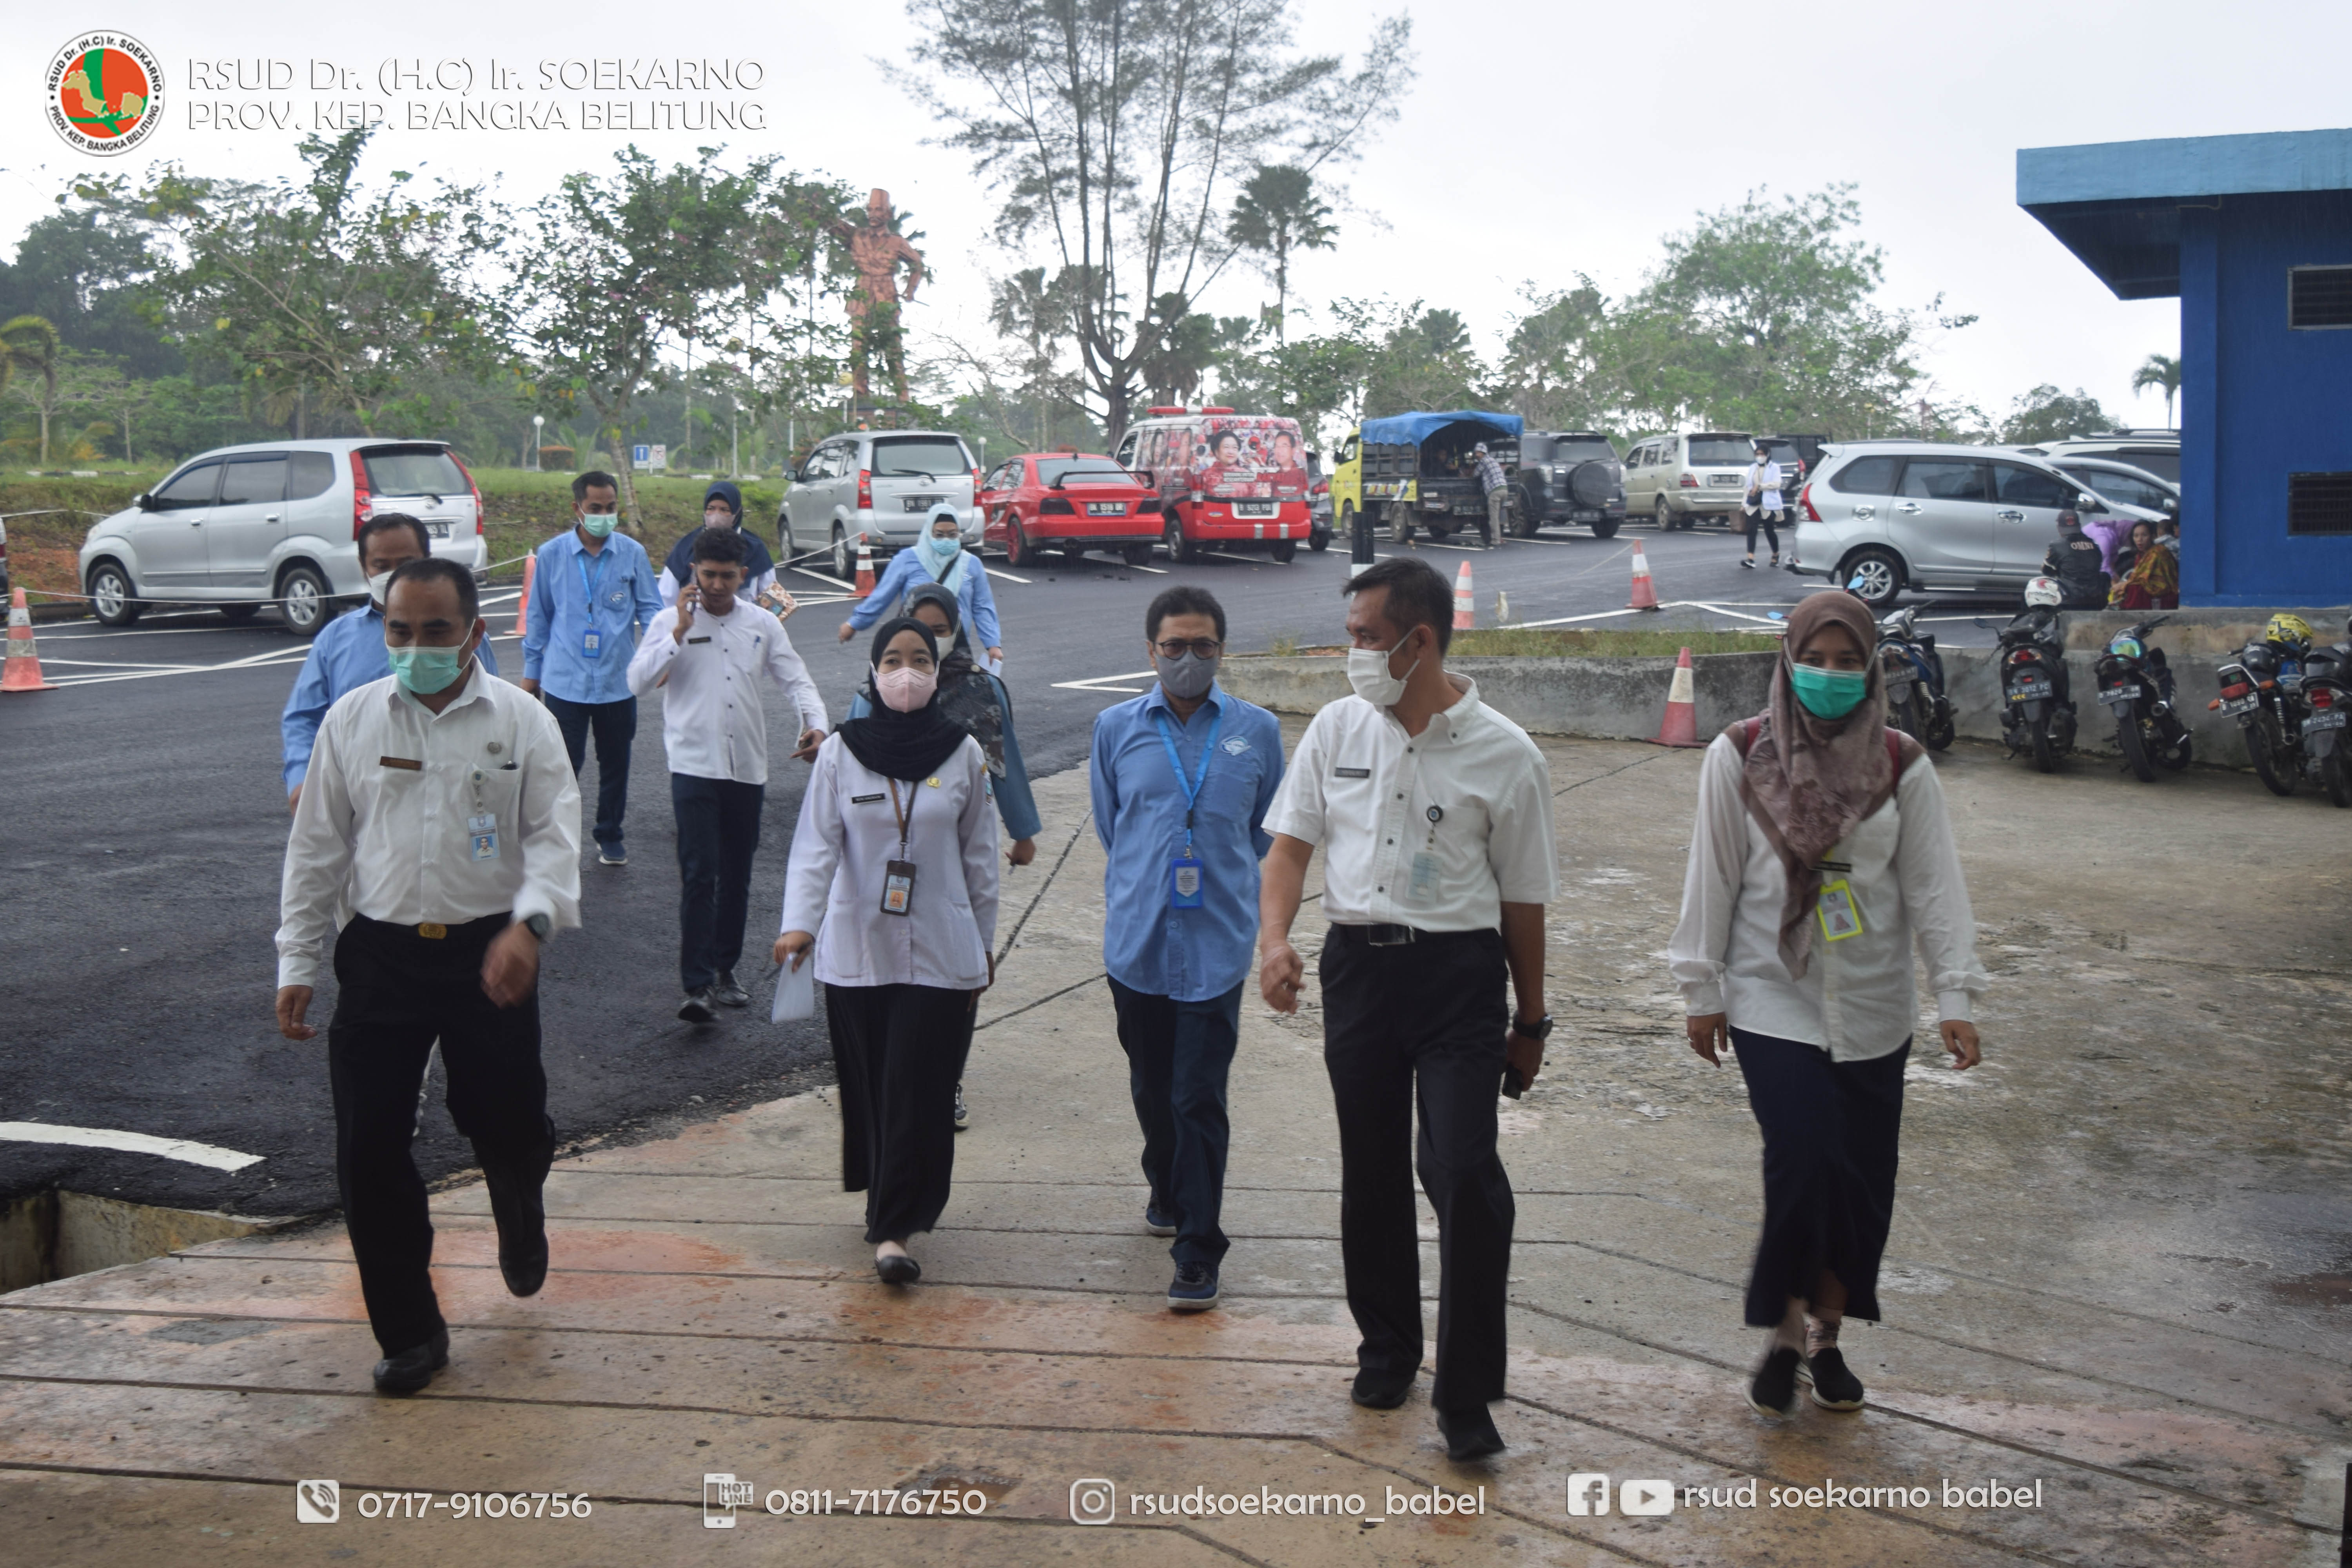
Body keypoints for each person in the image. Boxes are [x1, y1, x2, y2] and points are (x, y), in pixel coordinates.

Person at [1257, 556, 1560, 1462]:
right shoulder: (1337, 730)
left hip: (1459, 978)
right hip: (1358, 971)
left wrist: (1531, 1020)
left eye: (1363, 636)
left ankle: (1466, 1393)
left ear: (1417, 640)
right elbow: (1288, 850)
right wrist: (1275, 940)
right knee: (1374, 1169)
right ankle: (1388, 1347)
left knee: (1462, 1170)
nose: (1349, 651)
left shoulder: (1507, 754)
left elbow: (1523, 904)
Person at [1666, 590, 1987, 1421]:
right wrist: (1702, 989)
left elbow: (1934, 887)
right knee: (1803, 1159)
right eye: (1817, 658)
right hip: (1775, 998)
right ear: (1787, 657)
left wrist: (1956, 992)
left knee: (1859, 1183)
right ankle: (1780, 1334)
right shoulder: (1740, 755)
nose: (1831, 676)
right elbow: (1715, 878)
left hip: (1877, 1004)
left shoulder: (1903, 764)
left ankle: (1826, 1338)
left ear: (1875, 667)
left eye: (1850, 663)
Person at [274, 557, 582, 1395]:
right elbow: (316, 852)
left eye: (436, 630)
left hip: (494, 949)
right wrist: (298, 958)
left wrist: (531, 924)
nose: (416, 647)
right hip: (380, 956)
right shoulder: (352, 720)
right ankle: (410, 1329)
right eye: (400, 631)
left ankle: (519, 1186)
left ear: (475, 632)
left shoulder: (523, 722)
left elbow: (555, 839)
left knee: (504, 1116)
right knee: (367, 1147)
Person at [777, 618, 1000, 1284]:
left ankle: (895, 1229)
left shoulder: (961, 753)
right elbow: (816, 847)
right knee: (872, 1084)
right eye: (895, 660)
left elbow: (981, 862)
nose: (908, 672)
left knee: (915, 1084)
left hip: (942, 947)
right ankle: (886, 1201)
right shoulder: (844, 751)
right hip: (856, 947)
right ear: (874, 672)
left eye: (921, 660)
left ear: (937, 672)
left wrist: (982, 950)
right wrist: (799, 925)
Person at [1090, 586, 1285, 1313]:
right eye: (1174, 647)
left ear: (1222, 651)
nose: (1188, 659)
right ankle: (1167, 1186)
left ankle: (1199, 1249)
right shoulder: (1115, 728)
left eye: (1204, 646)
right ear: (1151, 651)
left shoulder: (1257, 731)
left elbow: (1265, 834)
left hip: (1216, 947)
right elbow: (1114, 828)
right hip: (1137, 943)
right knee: (1152, 1089)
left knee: (1198, 1096)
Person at [842, 581, 1042, 1132]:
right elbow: (852, 746)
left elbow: (1007, 760)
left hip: (952, 856)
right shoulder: (874, 688)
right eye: (918, 628)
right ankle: (891, 1076)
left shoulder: (982, 691)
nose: (925, 644)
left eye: (938, 631)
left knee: (961, 973)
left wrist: (1023, 830)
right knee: (893, 979)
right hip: (887, 861)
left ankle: (948, 1078)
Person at [627, 529, 828, 1022]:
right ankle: (695, 986)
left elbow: (795, 678)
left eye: (727, 576)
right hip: (693, 766)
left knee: (737, 873)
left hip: (748, 769)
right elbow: (636, 683)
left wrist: (816, 724)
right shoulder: (667, 622)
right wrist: (676, 633)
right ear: (694, 571)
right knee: (700, 873)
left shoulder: (762, 624)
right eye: (708, 574)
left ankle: (725, 970)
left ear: (743, 575)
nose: (717, 585)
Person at [282, 513, 501, 811]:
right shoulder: (334, 639)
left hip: (452, 793)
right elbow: (304, 718)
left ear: (427, 560)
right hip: (361, 797)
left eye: (407, 563)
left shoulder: (465, 638)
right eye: (382, 566)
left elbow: (492, 709)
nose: (395, 575)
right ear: (364, 568)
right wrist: (301, 778)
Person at [519, 471, 664, 867]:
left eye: (611, 508)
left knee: (616, 764)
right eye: (596, 508)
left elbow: (652, 611)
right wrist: (531, 674)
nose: (604, 515)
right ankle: (556, 840)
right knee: (562, 767)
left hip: (619, 681)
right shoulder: (552, 555)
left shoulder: (632, 553)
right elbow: (539, 617)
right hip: (565, 682)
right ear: (578, 508)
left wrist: (660, 655)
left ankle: (610, 833)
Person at [838, 505, 1003, 668]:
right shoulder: (908, 560)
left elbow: (983, 606)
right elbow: (882, 596)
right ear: (928, 533)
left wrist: (993, 644)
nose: (946, 540)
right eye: (939, 535)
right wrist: (855, 624)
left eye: (952, 535)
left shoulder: (971, 564)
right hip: (913, 646)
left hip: (955, 648)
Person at [660, 480, 778, 607]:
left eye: (724, 510)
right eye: (711, 509)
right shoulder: (687, 547)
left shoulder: (755, 549)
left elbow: (772, 599)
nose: (717, 515)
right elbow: (666, 597)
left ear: (737, 513)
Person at [2042, 510, 2109, 609]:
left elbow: (2046, 571)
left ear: (2059, 528)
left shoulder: (2056, 546)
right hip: (2096, 600)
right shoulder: (2095, 546)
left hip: (2070, 600)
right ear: (2079, 526)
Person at [2109, 519, 2180, 610]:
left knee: (2134, 589)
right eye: (2136, 536)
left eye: (2144, 535)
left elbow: (2144, 580)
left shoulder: (2158, 552)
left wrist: (2124, 585)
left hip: (2164, 591)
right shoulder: (2140, 555)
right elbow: (2137, 578)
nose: (2140, 540)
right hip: (2148, 588)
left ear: (2152, 537)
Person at [1742, 439, 1785, 569]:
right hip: (1754, 502)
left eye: (1762, 454)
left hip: (1768, 503)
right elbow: (1748, 487)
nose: (1759, 457)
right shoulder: (1752, 468)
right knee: (1752, 530)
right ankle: (1751, 558)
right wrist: (1744, 503)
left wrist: (1760, 487)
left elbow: (1777, 484)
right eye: (1757, 454)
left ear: (1767, 454)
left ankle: (1776, 554)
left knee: (1769, 530)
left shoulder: (1774, 468)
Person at [1471, 442, 1508, 548]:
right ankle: (1499, 537)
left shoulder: (1484, 461)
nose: (1476, 455)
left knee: (1493, 518)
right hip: (1504, 490)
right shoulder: (1493, 460)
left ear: (1482, 453)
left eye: (1477, 453)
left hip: (1495, 492)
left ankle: (1496, 540)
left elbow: (1476, 474)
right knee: (1498, 515)